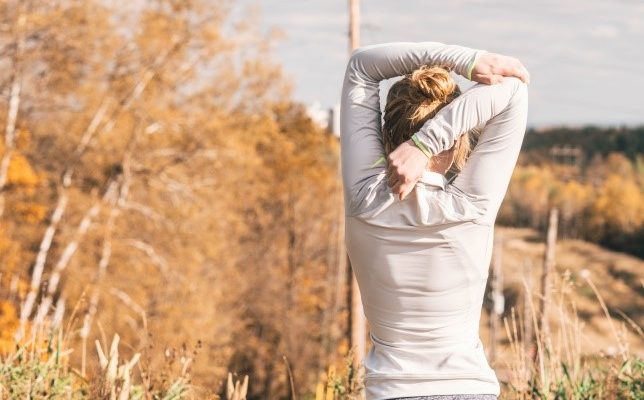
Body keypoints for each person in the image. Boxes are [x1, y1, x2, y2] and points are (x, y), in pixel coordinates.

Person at [339, 41, 530, 400]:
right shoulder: (470, 206)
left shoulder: (363, 198)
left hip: (389, 393)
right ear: (458, 141)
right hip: (469, 390)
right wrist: (427, 143)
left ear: (384, 133)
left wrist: (467, 62)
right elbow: (514, 91)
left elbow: (361, 67)